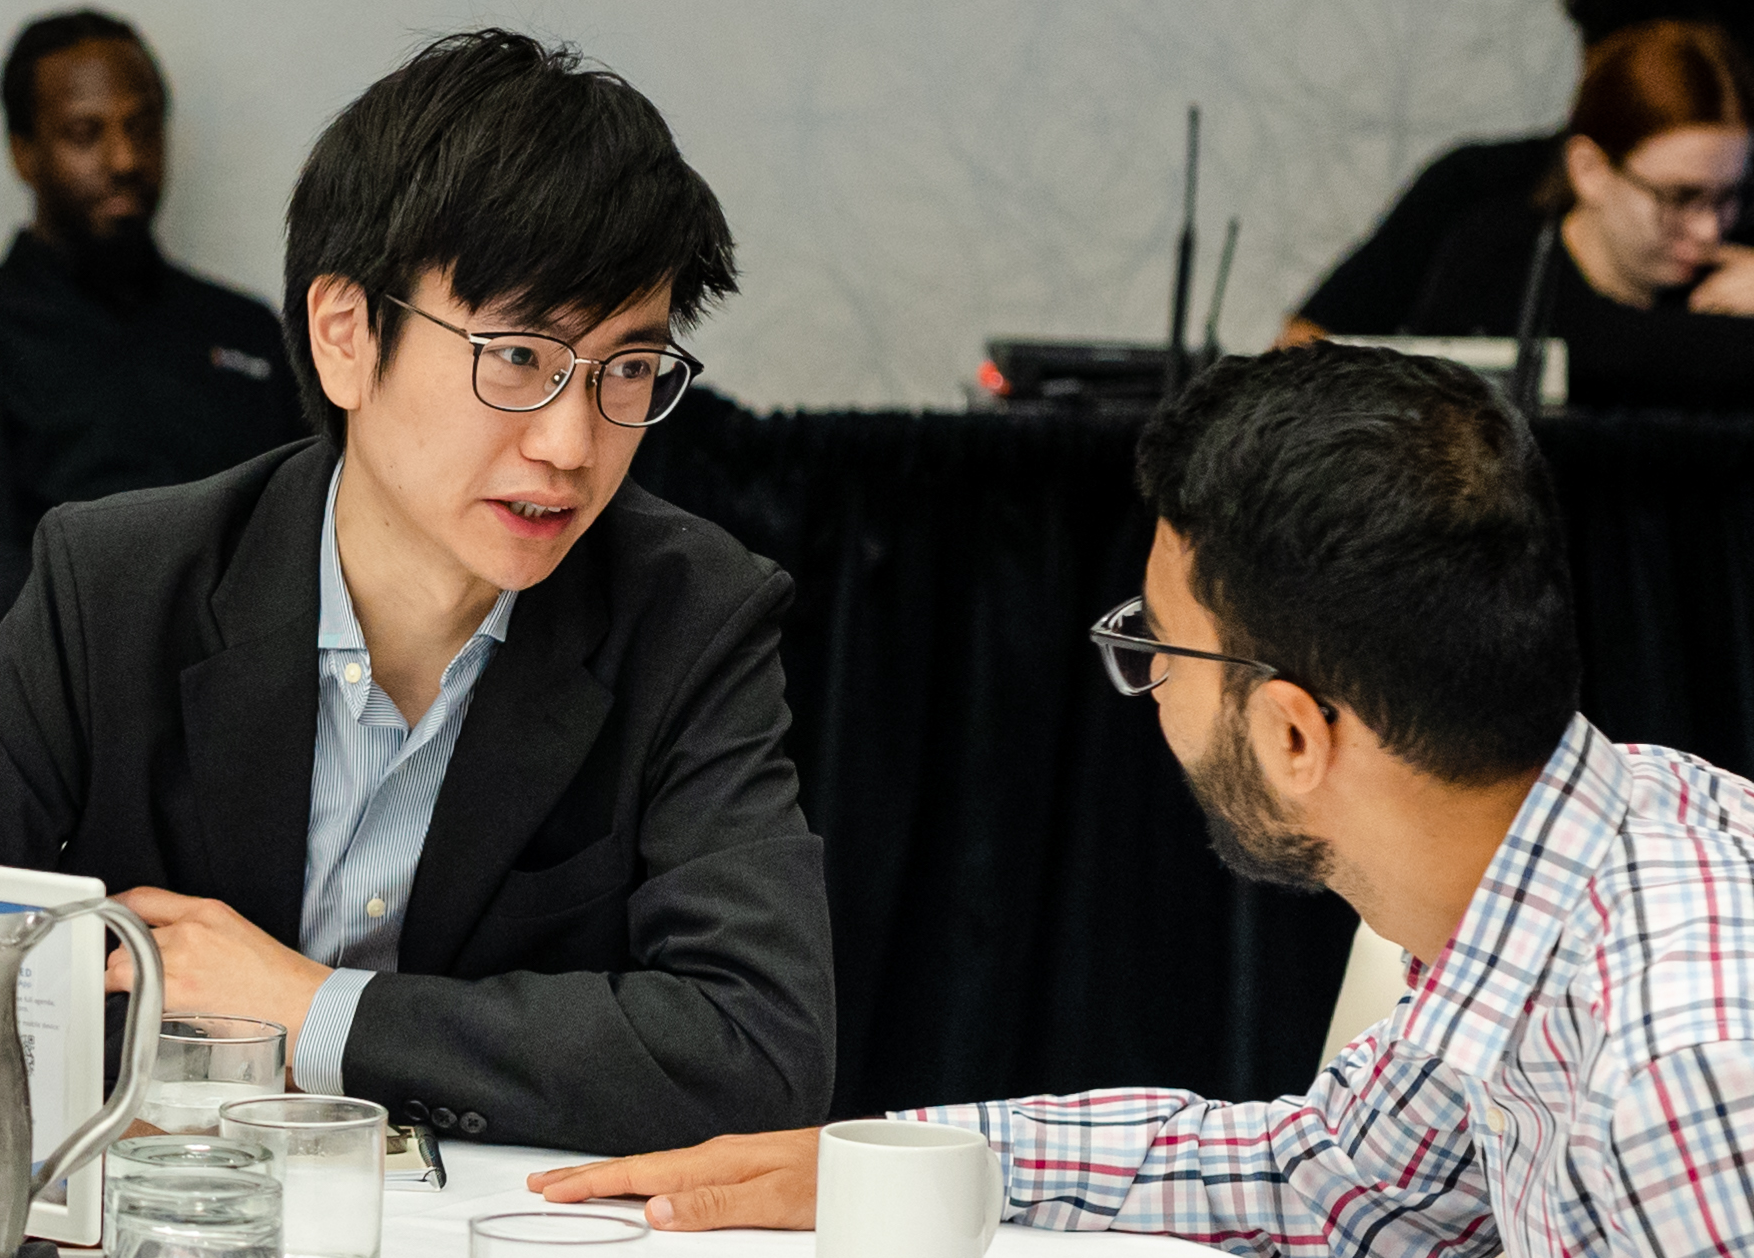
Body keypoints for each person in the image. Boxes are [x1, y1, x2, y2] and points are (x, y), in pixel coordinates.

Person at [530, 343, 1754, 1257]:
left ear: (1290, 733)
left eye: (1161, 647)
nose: (1148, 687)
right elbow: (1325, 1178)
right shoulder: (1568, 869)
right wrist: (888, 1165)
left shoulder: (1678, 1066)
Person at [0, 29, 836, 1155]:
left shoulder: (690, 617)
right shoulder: (110, 586)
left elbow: (760, 1045)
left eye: (628, 369)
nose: (570, 443)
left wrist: (310, 1009)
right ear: (345, 336)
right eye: (519, 356)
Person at [0, 10, 302, 611]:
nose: (124, 160)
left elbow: (309, 533)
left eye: (142, 127)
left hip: (251, 684)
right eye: (85, 134)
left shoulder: (244, 331)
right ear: (24, 152)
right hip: (58, 693)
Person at [1282, 0, 1754, 347]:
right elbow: (1303, 348)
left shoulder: (1734, 210)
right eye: (1676, 197)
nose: (1707, 228)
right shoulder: (1478, 209)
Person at [1410, 20, 1754, 410]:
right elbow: (1610, 350)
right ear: (1589, 170)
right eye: (1677, 197)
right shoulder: (1493, 264)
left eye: (1728, 197)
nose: (1709, 229)